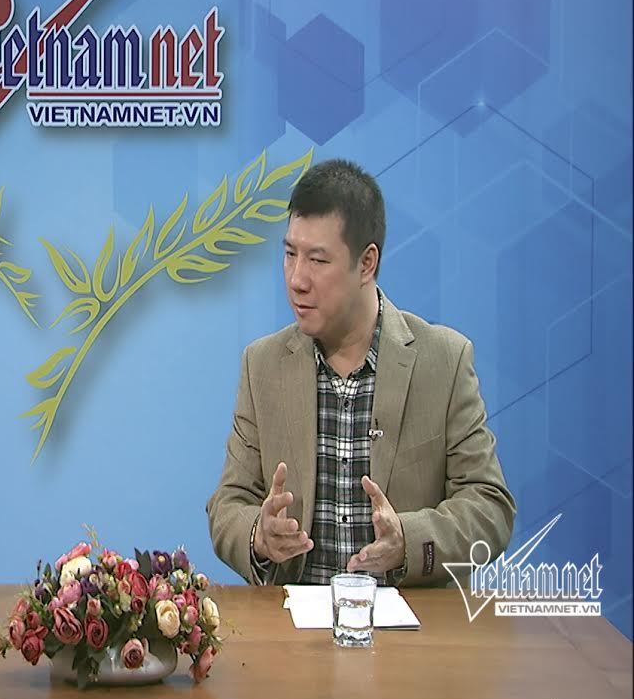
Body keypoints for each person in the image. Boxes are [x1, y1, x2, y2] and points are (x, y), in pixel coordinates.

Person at [207, 159, 515, 586]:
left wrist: (408, 540)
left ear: (366, 263)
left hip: (406, 621)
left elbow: (490, 506)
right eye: (290, 254)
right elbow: (227, 505)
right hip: (293, 621)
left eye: (318, 260)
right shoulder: (263, 365)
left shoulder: (443, 361)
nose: (297, 279)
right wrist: (259, 534)